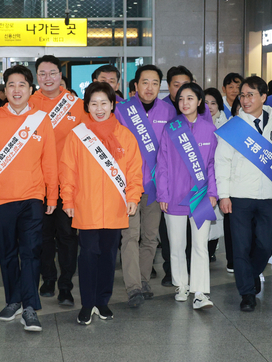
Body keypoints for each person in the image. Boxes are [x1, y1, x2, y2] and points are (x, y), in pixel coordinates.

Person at [0, 64, 58, 332]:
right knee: (7, 253)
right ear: (4, 90)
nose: (16, 90)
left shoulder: (42, 119)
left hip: (32, 197)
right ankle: (13, 300)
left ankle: (30, 307)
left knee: (31, 252)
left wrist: (52, 194)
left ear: (31, 89)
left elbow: (50, 162)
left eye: (22, 85)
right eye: (11, 85)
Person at [60, 81, 142, 324]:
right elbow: (67, 171)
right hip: (86, 206)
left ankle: (102, 302)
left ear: (112, 105)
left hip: (115, 208)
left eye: (104, 103)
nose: (99, 108)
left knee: (107, 256)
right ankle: (87, 304)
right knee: (87, 255)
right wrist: (68, 199)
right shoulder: (77, 135)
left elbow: (134, 171)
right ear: (87, 106)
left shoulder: (125, 136)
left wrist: (133, 197)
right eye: (93, 103)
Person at [214, 76, 272, 312]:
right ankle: (247, 293)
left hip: (269, 196)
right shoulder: (233, 127)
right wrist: (224, 195)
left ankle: (251, 274)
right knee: (241, 247)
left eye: (250, 95)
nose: (244, 99)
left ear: (263, 97)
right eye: (242, 95)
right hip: (239, 196)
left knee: (266, 244)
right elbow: (222, 163)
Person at [115, 64, 176, 307]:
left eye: (154, 83)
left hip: (156, 186)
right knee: (130, 235)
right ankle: (133, 287)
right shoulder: (122, 111)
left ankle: (142, 279)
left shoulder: (169, 111)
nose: (149, 87)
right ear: (136, 85)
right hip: (129, 185)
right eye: (144, 82)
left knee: (150, 237)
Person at [157, 82, 218, 309]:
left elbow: (212, 164)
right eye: (181, 99)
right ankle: (181, 284)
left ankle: (200, 291)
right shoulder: (170, 128)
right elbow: (162, 163)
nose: (185, 103)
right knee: (177, 244)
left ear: (199, 101)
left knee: (201, 245)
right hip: (173, 195)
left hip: (201, 196)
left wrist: (212, 192)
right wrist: (163, 192)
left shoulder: (209, 129)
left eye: (190, 98)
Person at [30, 55, 85, 306]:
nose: (47, 78)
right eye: (42, 73)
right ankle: (48, 278)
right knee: (42, 235)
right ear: (36, 76)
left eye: (52, 73)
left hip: (68, 183)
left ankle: (66, 285)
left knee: (67, 236)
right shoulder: (29, 103)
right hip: (37, 183)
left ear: (60, 75)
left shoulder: (76, 105)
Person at [203, 87, 228, 263]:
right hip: (199, 175)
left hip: (219, 175)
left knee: (217, 216)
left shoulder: (227, 124)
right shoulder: (194, 123)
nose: (210, 106)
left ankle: (211, 248)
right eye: (205, 102)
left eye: (213, 103)